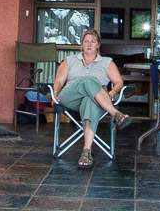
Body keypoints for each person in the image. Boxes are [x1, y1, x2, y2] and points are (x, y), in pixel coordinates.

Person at [51, 28, 133, 168]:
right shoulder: (70, 60)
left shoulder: (107, 62)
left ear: (98, 45)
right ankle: (115, 114)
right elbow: (59, 81)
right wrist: (55, 93)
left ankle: (86, 152)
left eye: (92, 42)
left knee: (90, 102)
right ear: (82, 44)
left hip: (97, 100)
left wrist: (112, 93)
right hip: (70, 97)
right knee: (88, 80)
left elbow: (119, 82)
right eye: (86, 41)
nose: (89, 44)